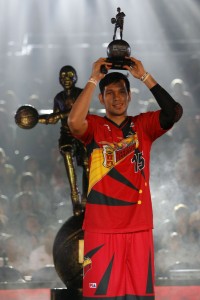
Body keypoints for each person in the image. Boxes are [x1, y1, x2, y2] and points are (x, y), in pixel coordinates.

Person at [68, 56, 183, 299]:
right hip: (101, 230)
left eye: (122, 92)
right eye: (109, 93)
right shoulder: (95, 127)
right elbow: (74, 122)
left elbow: (172, 112)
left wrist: (144, 76)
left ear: (130, 96)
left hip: (138, 228)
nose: (117, 97)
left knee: (139, 297)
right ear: (101, 98)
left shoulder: (143, 125)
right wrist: (93, 79)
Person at [38, 66, 89, 216]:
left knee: (86, 164)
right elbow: (54, 119)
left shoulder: (81, 93)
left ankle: (86, 199)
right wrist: (40, 119)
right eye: (63, 77)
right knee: (67, 155)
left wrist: (59, 115)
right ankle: (75, 198)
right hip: (66, 134)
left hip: (82, 132)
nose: (66, 80)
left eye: (69, 77)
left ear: (75, 78)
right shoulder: (58, 98)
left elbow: (82, 112)